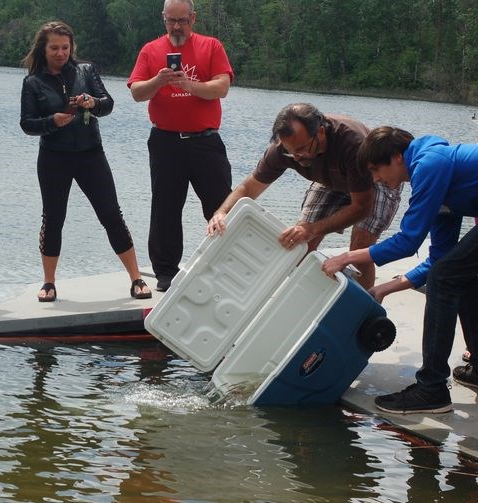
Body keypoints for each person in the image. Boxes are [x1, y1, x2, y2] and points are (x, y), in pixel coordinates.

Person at [322, 126, 478, 414]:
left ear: (396, 158)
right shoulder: (439, 178)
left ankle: (431, 388)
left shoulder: (430, 165)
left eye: (375, 170)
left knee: (448, 277)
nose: (376, 179)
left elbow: (408, 241)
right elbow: (438, 259)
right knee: (456, 274)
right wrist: (383, 289)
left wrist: (347, 257)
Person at [19, 21, 151, 302]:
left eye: (65, 47)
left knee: (111, 215)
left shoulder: (86, 71)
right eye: (54, 48)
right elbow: (27, 124)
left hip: (91, 154)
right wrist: (51, 122)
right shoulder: (33, 82)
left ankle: (136, 278)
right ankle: (49, 283)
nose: (60, 53)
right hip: (54, 157)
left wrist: (93, 102)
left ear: (71, 47)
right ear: (44, 48)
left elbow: (108, 104)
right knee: (53, 219)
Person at [207, 103, 402, 290]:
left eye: (301, 149)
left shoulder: (352, 143)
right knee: (300, 244)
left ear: (321, 133)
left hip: (376, 178)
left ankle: (364, 312)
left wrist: (313, 229)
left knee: (360, 248)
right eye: (290, 152)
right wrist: (222, 212)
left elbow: (362, 207)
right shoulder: (282, 150)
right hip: (331, 181)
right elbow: (249, 188)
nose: (297, 157)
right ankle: (308, 300)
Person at [127, 0, 234, 292]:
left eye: (182, 20)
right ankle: (166, 273)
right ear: (163, 18)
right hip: (166, 142)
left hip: (205, 142)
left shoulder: (211, 46)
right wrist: (158, 82)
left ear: (193, 18)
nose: (176, 26)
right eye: (171, 20)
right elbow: (137, 92)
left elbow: (222, 87)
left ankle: (227, 268)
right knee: (165, 208)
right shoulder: (151, 50)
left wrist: (190, 86)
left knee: (221, 207)